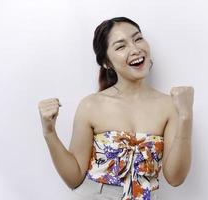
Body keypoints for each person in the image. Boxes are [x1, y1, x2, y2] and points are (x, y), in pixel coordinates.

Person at [38, 17, 194, 200]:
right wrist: (49, 132)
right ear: (106, 63)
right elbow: (74, 177)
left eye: (138, 39)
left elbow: (175, 178)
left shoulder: (170, 105)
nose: (135, 49)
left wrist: (185, 116)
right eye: (121, 46)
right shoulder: (91, 105)